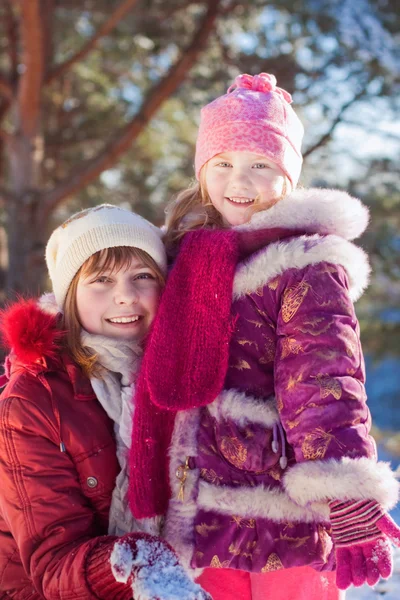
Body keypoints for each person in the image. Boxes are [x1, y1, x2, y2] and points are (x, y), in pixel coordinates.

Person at [128, 74, 400, 600]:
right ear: (203, 170)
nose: (240, 181)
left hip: (285, 511)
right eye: (223, 164)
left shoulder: (306, 263)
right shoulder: (186, 257)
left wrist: (343, 493)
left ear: (288, 177)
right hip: (202, 510)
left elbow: (324, 379)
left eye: (260, 165)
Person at [0, 204, 211, 600]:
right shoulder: (31, 403)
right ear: (70, 298)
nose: (125, 297)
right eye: (101, 280)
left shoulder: (186, 376)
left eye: (143, 276)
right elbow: (52, 563)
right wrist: (137, 563)